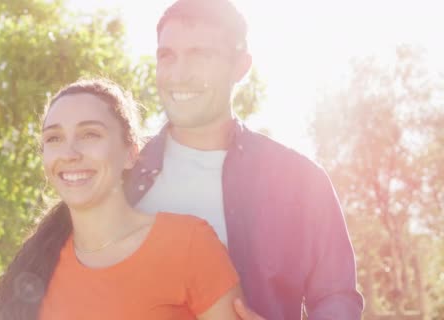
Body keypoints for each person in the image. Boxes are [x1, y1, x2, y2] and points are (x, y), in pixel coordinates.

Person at [124, 0, 364, 318]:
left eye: (200, 55)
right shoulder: (121, 174)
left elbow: (336, 298)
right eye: (167, 56)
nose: (179, 75)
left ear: (240, 66)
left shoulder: (301, 182)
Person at [0, 78, 258, 320]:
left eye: (90, 134)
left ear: (131, 153)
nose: (69, 153)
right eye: (54, 138)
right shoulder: (35, 265)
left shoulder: (189, 243)